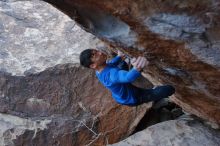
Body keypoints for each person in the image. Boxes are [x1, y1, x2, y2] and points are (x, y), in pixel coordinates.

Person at [79, 48, 175, 106]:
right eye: (95, 55)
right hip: (133, 98)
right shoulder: (111, 75)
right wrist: (137, 68)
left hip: (121, 93)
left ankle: (127, 63)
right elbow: (128, 77)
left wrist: (119, 57)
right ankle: (156, 98)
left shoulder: (98, 71)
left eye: (96, 51)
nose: (100, 52)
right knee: (169, 89)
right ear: (93, 65)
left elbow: (111, 64)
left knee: (121, 65)